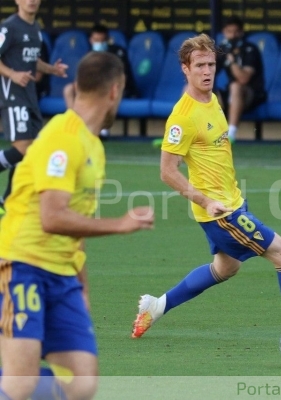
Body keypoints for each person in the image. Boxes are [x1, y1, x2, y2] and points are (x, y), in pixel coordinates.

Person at [131, 34, 281, 344]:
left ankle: (158, 305)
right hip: (220, 211)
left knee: (225, 268)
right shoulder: (183, 116)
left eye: (211, 65)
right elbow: (167, 171)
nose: (207, 71)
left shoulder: (213, 98)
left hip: (232, 203)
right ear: (185, 69)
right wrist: (206, 201)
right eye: (200, 66)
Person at [0, 51, 154, 400]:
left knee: (81, 383)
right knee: (20, 383)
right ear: (115, 91)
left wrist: (81, 285)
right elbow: (52, 216)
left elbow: (75, 220)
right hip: (21, 265)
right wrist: (121, 224)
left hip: (62, 277)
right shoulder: (62, 137)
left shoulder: (93, 146)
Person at [0, 0, 68, 215]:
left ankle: (8, 200)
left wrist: (52, 70)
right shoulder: (9, 27)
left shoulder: (35, 28)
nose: (31, 1)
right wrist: (12, 74)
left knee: (29, 152)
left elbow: (31, 60)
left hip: (29, 96)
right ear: (17, 1)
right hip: (12, 94)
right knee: (22, 147)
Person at [63, 23, 137, 137]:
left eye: (101, 40)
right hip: (92, 86)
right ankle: (75, 124)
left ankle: (101, 127)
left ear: (107, 40)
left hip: (111, 87)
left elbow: (123, 77)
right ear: (91, 40)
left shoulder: (116, 53)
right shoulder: (89, 56)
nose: (98, 43)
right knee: (68, 89)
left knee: (104, 91)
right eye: (95, 40)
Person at [215, 16, 266, 143]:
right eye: (229, 32)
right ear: (224, 33)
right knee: (193, 89)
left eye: (236, 31)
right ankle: (186, 135)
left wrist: (232, 61)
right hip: (231, 95)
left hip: (252, 95)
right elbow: (207, 75)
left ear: (241, 32)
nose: (232, 35)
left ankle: (231, 134)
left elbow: (243, 79)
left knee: (236, 86)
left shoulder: (250, 49)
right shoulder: (222, 48)